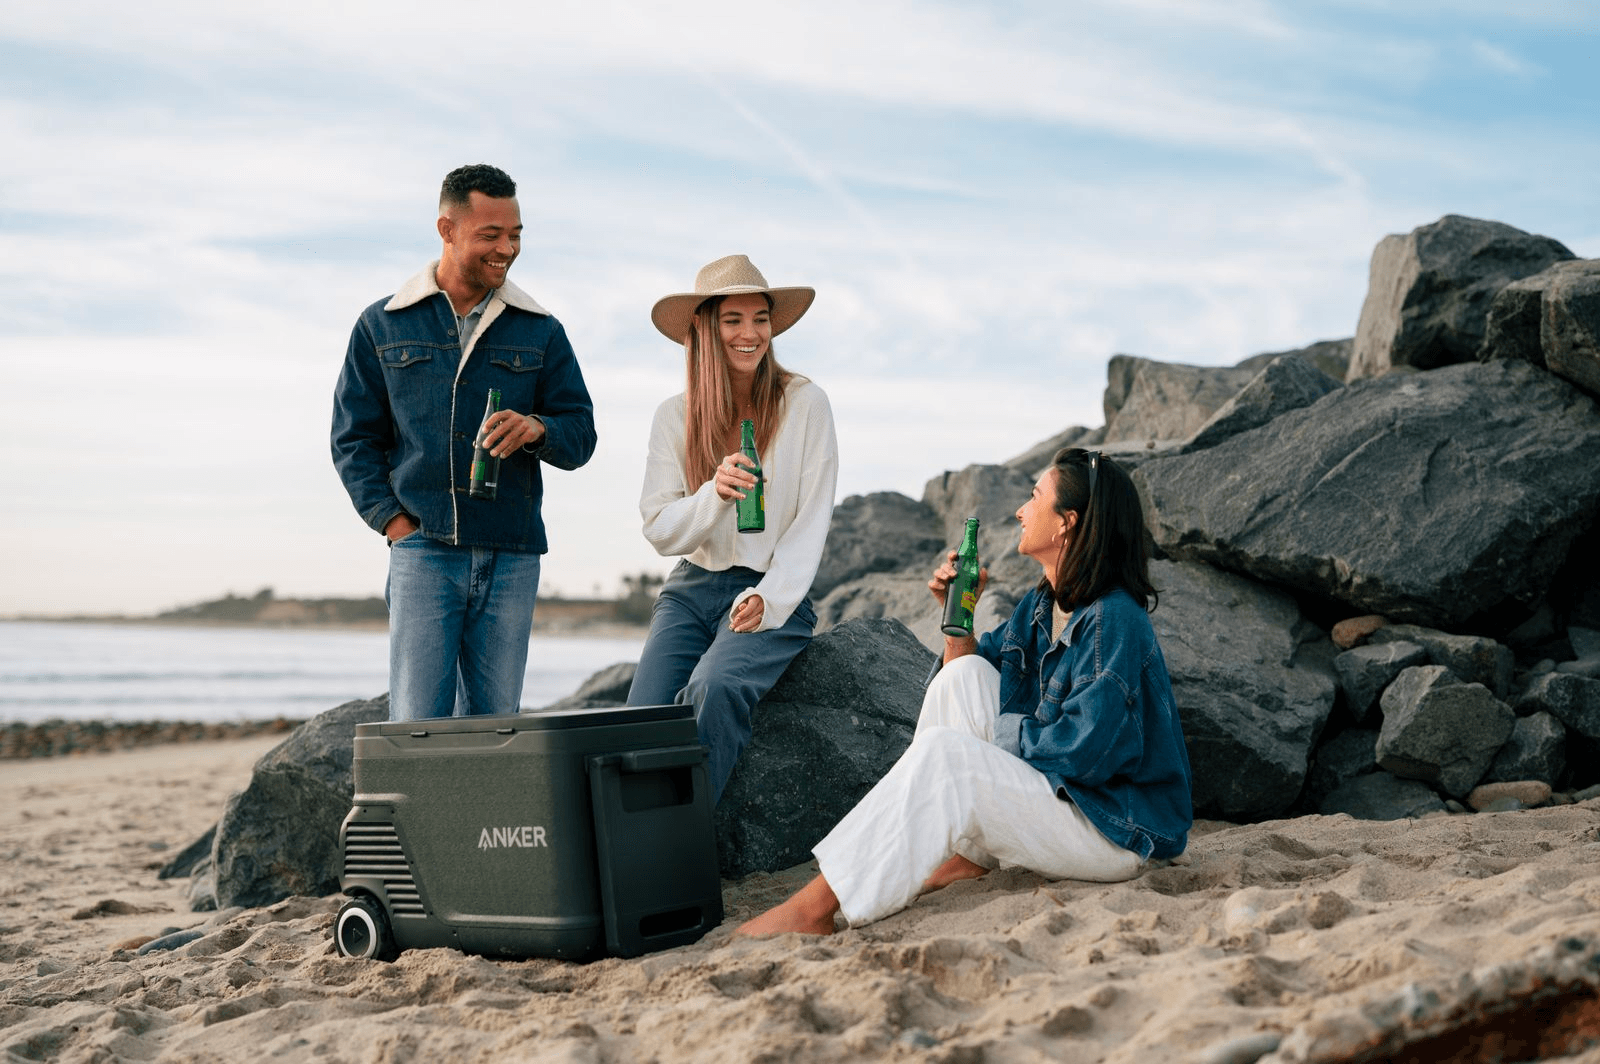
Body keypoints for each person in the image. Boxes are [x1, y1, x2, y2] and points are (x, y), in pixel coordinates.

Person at [738, 448, 1192, 935]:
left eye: (1035, 497)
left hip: (1116, 831)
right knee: (962, 677)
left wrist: (991, 743)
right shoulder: (1043, 604)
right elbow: (967, 677)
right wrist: (958, 618)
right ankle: (965, 855)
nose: (1021, 510)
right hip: (1073, 799)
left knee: (948, 756)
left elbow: (1086, 752)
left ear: (1067, 523)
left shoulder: (1114, 621)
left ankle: (815, 908)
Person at [331, 164, 596, 722]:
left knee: (496, 726)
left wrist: (538, 428)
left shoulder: (540, 329)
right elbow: (353, 440)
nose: (508, 248)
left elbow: (581, 432)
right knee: (417, 727)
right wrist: (392, 523)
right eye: (491, 235)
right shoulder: (381, 324)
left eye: (516, 234)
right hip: (422, 550)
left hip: (513, 555)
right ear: (447, 230)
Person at [626, 254, 838, 804]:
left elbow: (812, 518)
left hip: (770, 588)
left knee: (714, 689)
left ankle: (685, 848)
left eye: (760, 318)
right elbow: (660, 528)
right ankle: (635, 846)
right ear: (704, 329)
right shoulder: (675, 415)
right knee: (639, 724)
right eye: (733, 320)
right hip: (690, 590)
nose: (751, 334)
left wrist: (772, 598)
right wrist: (713, 495)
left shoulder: (806, 404)